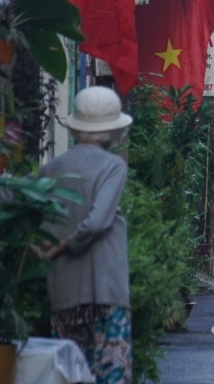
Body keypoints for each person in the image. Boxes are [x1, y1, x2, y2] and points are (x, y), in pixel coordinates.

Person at [41, 87, 133, 384]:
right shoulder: (113, 166)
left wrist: (52, 247)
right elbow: (97, 222)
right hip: (105, 290)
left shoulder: (52, 168)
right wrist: (67, 244)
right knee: (110, 374)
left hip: (64, 290)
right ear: (111, 130)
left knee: (69, 375)